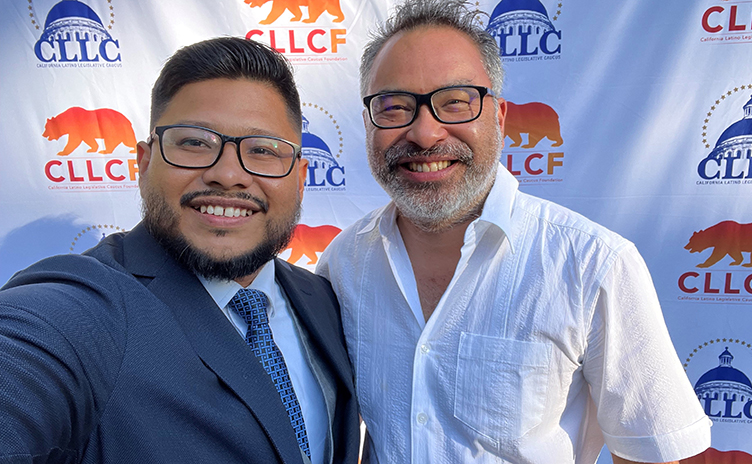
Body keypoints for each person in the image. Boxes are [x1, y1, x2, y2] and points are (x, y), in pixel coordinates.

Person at [316, 1, 711, 463]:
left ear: (499, 117)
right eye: (395, 106)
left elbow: (657, 452)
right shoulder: (343, 264)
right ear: (368, 122)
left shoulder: (593, 264)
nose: (425, 133)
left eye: (455, 102)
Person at [0, 37, 359, 464]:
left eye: (263, 150)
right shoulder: (82, 309)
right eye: (194, 143)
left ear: (300, 178)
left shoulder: (323, 298)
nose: (228, 175)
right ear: (146, 163)